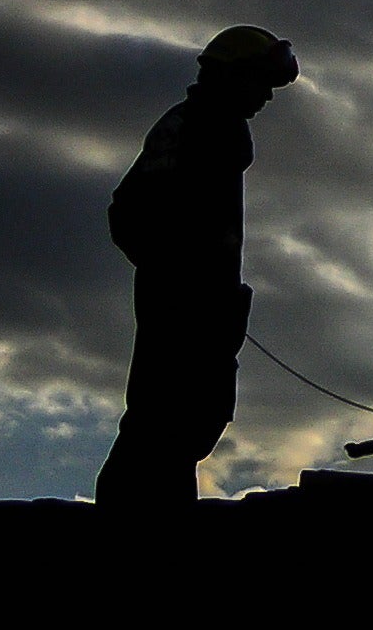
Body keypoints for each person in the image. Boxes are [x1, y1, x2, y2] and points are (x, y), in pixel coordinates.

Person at [95, 25, 299, 506]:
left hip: (201, 301)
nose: (267, 97)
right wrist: (183, 278)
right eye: (261, 83)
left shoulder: (207, 125)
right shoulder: (200, 126)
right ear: (233, 75)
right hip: (185, 306)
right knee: (167, 417)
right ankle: (133, 519)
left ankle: (159, 512)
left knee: (187, 421)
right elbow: (129, 213)